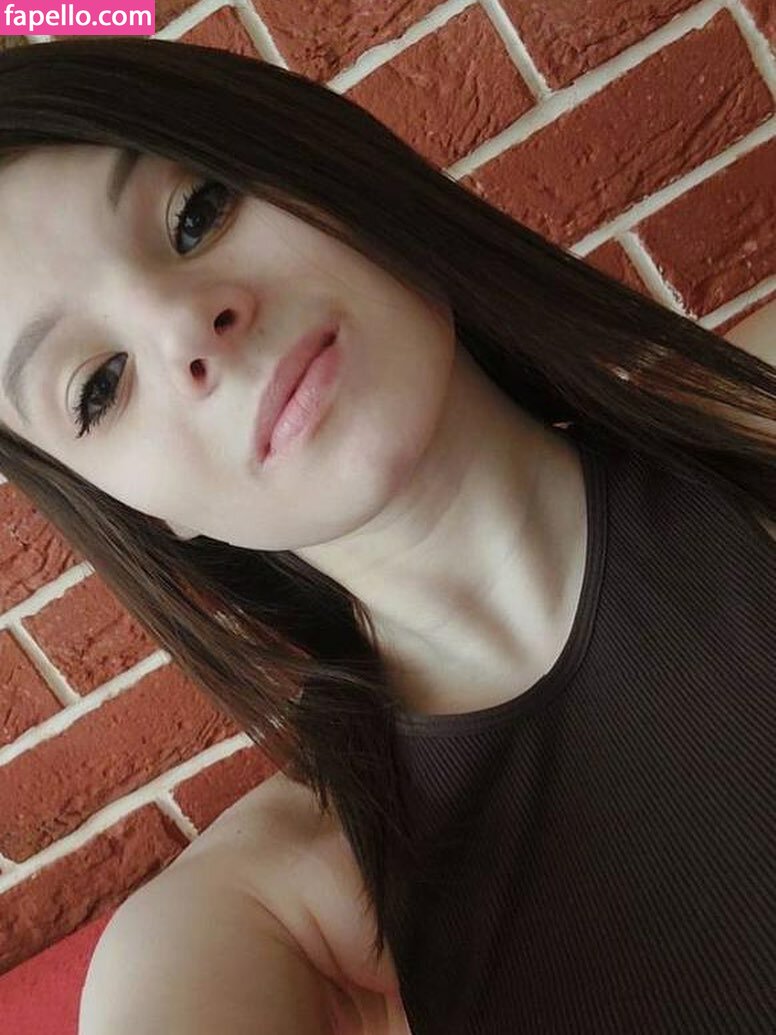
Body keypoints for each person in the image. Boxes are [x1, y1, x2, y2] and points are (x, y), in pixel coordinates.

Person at [0, 37, 773, 1035]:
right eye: (99, 387)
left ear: (332, 175)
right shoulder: (257, 919)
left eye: (196, 213)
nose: (186, 329)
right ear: (147, 513)